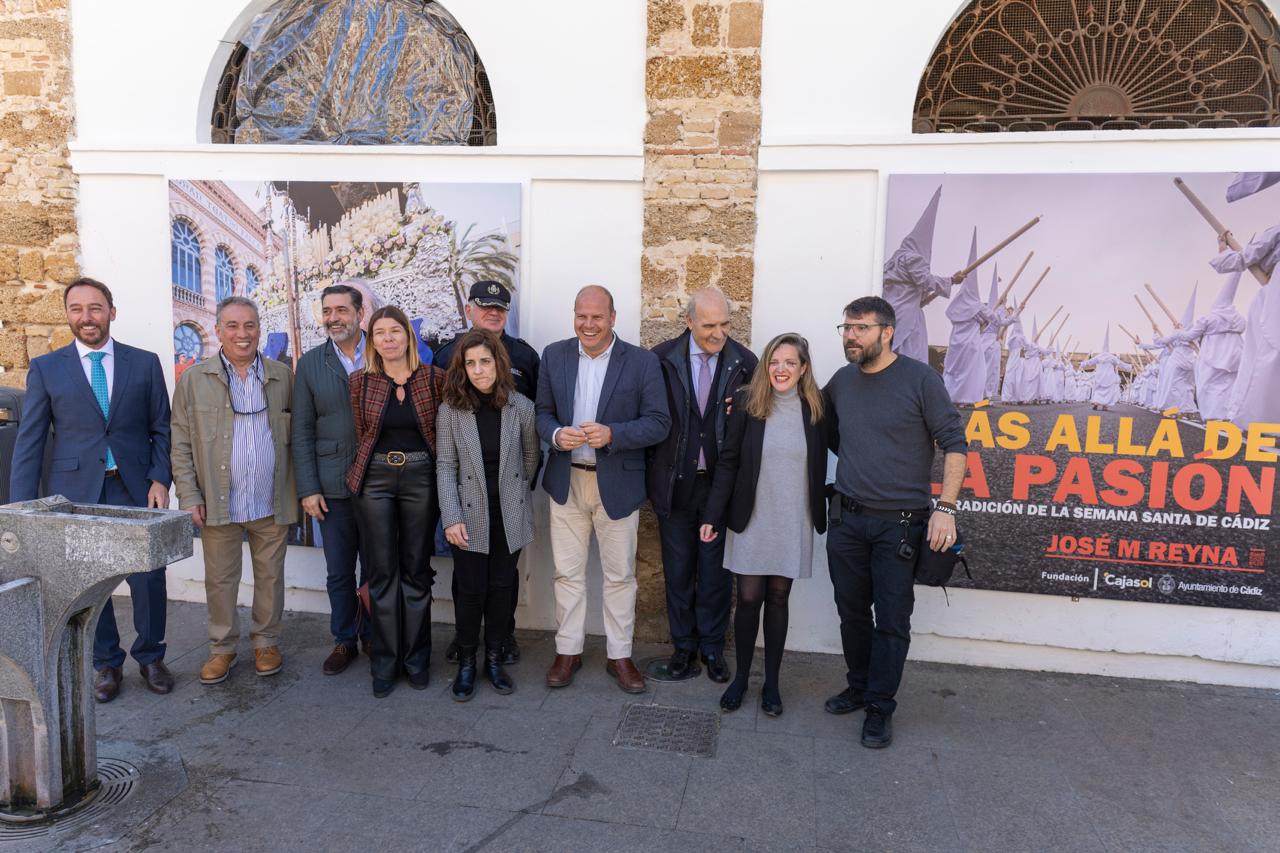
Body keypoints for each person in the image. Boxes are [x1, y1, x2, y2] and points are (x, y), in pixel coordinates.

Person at [10, 277, 174, 703]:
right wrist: (23, 506)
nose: (87, 317)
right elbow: (30, 439)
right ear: (68, 314)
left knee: (149, 578)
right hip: (75, 494)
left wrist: (160, 478)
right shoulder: (48, 368)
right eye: (77, 308)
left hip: (135, 488)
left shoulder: (144, 363)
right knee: (88, 582)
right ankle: (106, 664)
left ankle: (151, 656)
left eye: (95, 308)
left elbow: (162, 427)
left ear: (111, 313)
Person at [823, 296, 967, 749]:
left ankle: (880, 707)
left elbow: (955, 443)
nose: (850, 336)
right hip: (847, 520)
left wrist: (945, 507)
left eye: (860, 328)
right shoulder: (841, 382)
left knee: (891, 620)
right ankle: (860, 685)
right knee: (851, 613)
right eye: (846, 327)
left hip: (900, 527)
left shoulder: (920, 379)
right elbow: (819, 430)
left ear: (887, 332)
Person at [535, 285, 670, 694]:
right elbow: (540, 413)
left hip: (618, 483)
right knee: (567, 573)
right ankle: (568, 650)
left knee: (620, 576)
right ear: (573, 316)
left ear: (613, 318)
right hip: (567, 480)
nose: (588, 324)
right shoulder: (554, 355)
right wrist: (557, 435)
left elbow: (659, 422)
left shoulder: (642, 362)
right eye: (581, 315)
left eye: (597, 316)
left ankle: (619, 655)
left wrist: (613, 433)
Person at [698, 333, 826, 717]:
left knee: (779, 598)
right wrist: (712, 516)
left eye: (789, 362)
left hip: (793, 517)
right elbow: (729, 462)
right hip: (752, 516)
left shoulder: (816, 410)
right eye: (774, 361)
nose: (780, 369)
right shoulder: (748, 405)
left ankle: (771, 684)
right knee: (750, 599)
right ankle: (741, 679)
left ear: (803, 368)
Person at [171, 296, 298, 685]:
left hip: (271, 498)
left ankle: (266, 643)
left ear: (259, 329)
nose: (242, 334)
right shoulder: (194, 379)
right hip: (218, 501)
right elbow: (180, 442)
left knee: (270, 577)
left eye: (249, 325)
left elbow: (299, 435)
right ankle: (222, 649)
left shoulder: (282, 376)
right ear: (218, 330)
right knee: (221, 579)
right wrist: (189, 495)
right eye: (233, 326)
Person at [647, 287, 757, 683]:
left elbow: (755, 427)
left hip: (719, 487)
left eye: (725, 323)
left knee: (714, 573)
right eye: (709, 325)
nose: (718, 333)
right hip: (675, 484)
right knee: (677, 570)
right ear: (689, 320)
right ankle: (683, 649)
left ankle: (712, 648)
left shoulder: (745, 363)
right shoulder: (659, 360)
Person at [434, 280, 540, 665]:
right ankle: (466, 647)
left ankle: (500, 641)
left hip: (507, 502)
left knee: (502, 581)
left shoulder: (525, 363)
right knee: (469, 580)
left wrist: (513, 487)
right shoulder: (446, 358)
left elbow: (530, 454)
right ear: (469, 309)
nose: (493, 312)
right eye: (484, 306)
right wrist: (453, 510)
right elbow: (446, 459)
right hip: (466, 501)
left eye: (500, 307)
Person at [345, 305, 445, 698]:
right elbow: (361, 435)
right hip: (376, 479)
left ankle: (417, 659)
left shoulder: (436, 379)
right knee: (382, 573)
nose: (388, 339)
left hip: (422, 475)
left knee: (416, 571)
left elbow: (444, 432)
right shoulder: (360, 383)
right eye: (380, 333)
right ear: (372, 340)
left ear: (408, 336)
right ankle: (385, 663)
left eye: (395, 331)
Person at [292, 283, 370, 675]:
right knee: (339, 570)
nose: (334, 318)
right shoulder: (309, 364)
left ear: (360, 313)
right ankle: (344, 639)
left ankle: (375, 635)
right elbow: (301, 430)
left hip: (381, 483)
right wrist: (308, 488)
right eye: (327, 311)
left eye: (341, 310)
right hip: (333, 484)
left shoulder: (385, 350)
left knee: (378, 568)